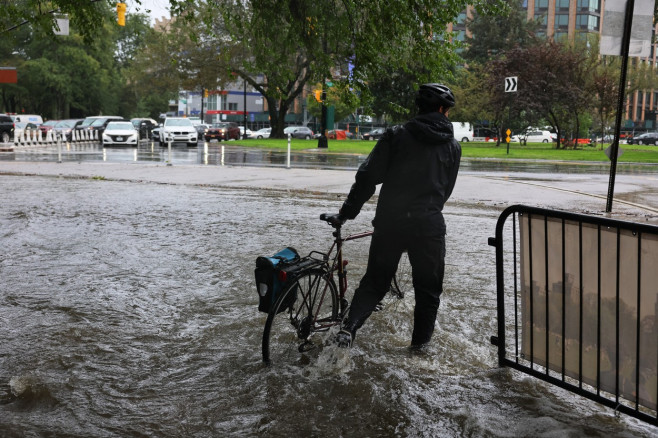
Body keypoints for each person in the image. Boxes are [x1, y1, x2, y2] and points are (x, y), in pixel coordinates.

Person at [329, 83, 462, 350]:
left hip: (391, 222)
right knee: (428, 291)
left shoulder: (396, 135)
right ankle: (419, 348)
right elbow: (445, 191)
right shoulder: (453, 147)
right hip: (428, 226)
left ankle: (348, 329)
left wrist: (346, 213)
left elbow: (368, 178)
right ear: (441, 109)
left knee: (374, 282)